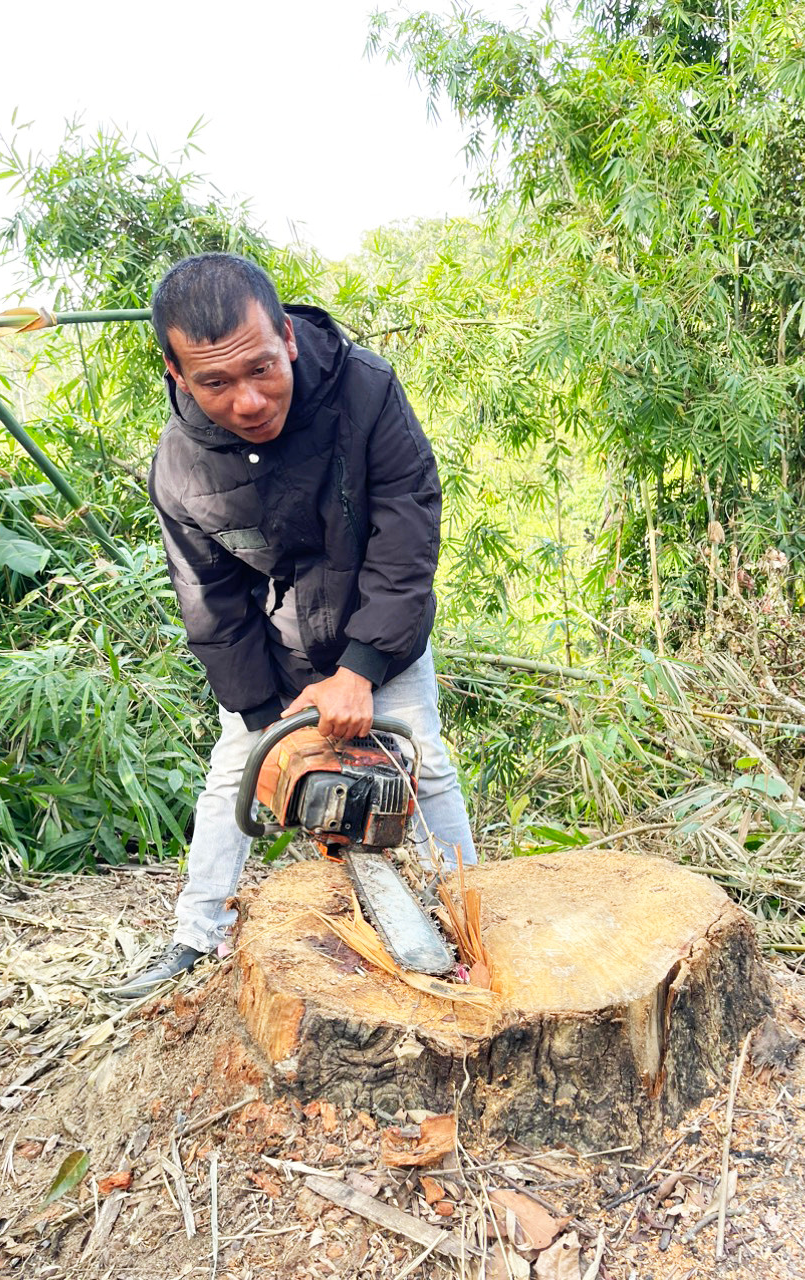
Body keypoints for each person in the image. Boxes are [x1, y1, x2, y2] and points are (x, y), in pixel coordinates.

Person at [112, 253, 476, 998]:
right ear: (177, 374)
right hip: (275, 656)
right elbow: (211, 602)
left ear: (286, 337)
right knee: (233, 776)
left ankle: (472, 914)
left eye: (261, 370)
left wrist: (362, 668)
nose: (247, 400)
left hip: (381, 631)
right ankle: (196, 933)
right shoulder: (180, 464)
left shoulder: (364, 389)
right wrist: (267, 723)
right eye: (215, 382)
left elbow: (407, 532)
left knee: (425, 762)